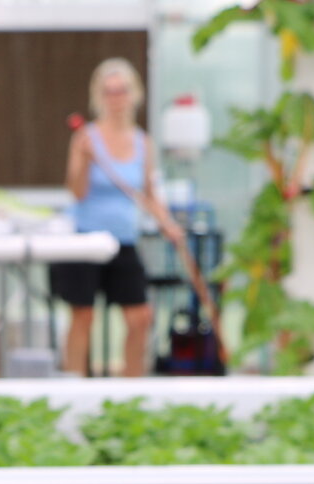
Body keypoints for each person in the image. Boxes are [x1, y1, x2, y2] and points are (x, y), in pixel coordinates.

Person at [53, 58, 184, 378]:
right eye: (109, 92)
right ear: (99, 96)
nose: (116, 98)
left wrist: (167, 223)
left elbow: (148, 195)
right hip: (85, 240)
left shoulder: (143, 143)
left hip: (123, 240)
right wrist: (84, 160)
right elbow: (77, 192)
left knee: (140, 318)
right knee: (83, 316)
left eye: (121, 91)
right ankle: (74, 385)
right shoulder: (86, 138)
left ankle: (131, 390)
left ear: (134, 94)